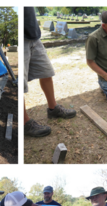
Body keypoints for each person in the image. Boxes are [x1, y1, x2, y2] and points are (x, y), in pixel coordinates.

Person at [24, 7, 76, 138]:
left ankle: (53, 109)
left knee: (46, 72)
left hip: (34, 36)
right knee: (21, 84)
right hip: (22, 37)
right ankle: (25, 123)